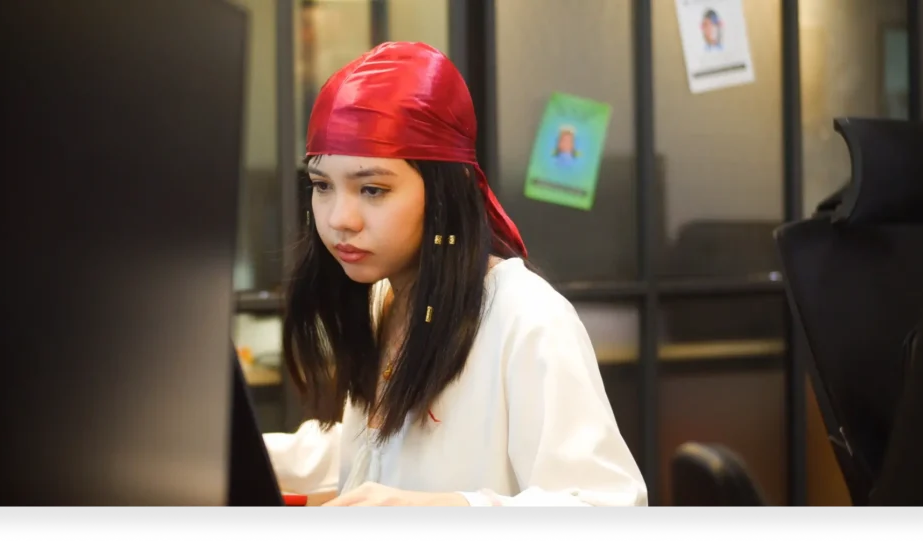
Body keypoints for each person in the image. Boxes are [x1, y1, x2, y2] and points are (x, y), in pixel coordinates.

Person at [263, 41, 646, 507]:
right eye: (322, 186)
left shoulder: (527, 317)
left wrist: (451, 507)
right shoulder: (384, 296)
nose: (340, 217)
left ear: (447, 190)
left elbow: (606, 500)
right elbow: (372, 454)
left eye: (372, 189)